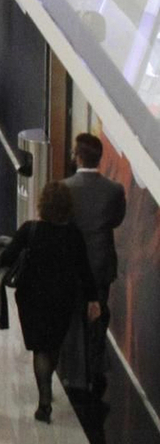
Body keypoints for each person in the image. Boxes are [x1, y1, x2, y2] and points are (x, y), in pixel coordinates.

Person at [0, 181, 101, 423]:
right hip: (63, 299)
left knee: (39, 348)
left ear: (42, 204)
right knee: (53, 345)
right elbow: (85, 270)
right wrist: (93, 298)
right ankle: (47, 391)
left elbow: (7, 257)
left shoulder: (30, 230)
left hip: (31, 298)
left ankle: (44, 401)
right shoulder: (73, 235)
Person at [66, 133, 126, 397]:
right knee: (98, 314)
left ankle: (75, 372)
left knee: (73, 316)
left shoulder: (65, 188)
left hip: (73, 265)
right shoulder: (114, 190)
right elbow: (116, 220)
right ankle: (95, 369)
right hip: (101, 264)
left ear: (77, 156)